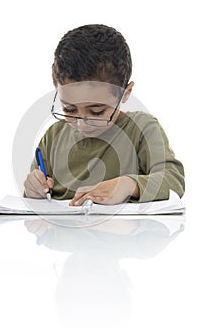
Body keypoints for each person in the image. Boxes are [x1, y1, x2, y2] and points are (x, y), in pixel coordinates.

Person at [24, 24, 185, 206]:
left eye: (97, 111)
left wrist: (128, 185)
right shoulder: (53, 137)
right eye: (69, 110)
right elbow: (35, 191)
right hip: (61, 232)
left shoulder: (142, 129)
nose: (82, 123)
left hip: (127, 233)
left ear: (125, 93)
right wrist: (33, 189)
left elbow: (174, 180)